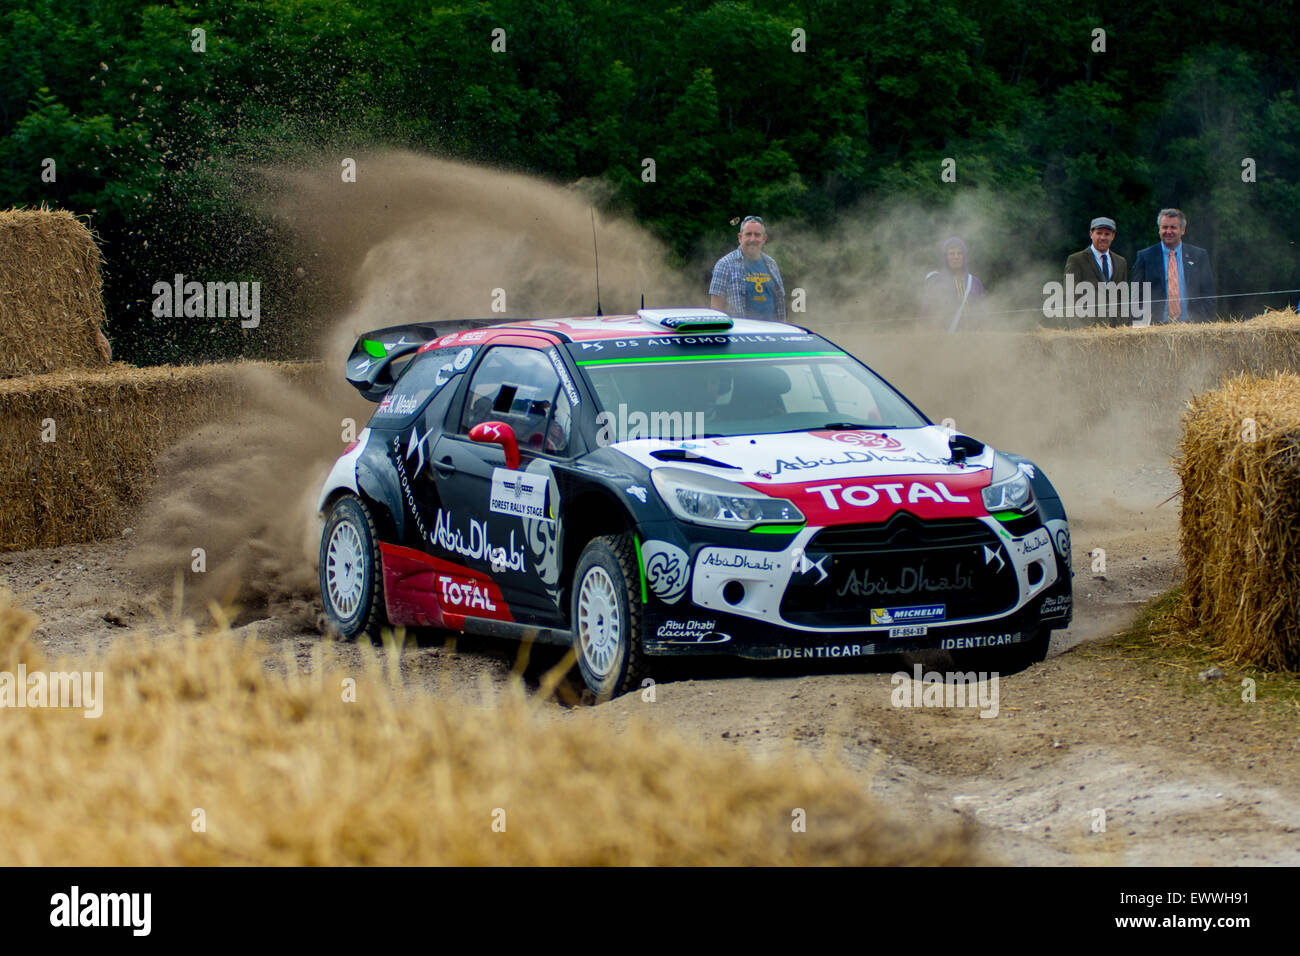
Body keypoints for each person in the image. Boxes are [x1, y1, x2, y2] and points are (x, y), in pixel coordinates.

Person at [1132, 208, 1216, 322]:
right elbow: (1136, 297)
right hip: (1156, 328)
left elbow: (1208, 293)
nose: (1168, 231)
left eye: (1173, 227)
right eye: (1164, 227)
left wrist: (1206, 320)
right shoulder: (1145, 257)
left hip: (1193, 327)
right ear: (1159, 229)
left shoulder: (1198, 256)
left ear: (1182, 230)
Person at [709, 216, 786, 320]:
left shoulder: (771, 264)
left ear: (764, 239)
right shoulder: (724, 265)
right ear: (740, 237)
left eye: (757, 235)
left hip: (772, 333)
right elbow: (716, 311)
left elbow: (780, 305)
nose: (752, 239)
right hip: (740, 333)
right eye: (748, 234)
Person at [1064, 217, 1129, 326]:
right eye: (1099, 233)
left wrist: (1123, 325)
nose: (1103, 237)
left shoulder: (1120, 262)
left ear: (1113, 236)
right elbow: (1068, 298)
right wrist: (1077, 330)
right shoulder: (1076, 260)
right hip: (1087, 330)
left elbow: (1123, 298)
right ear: (1091, 234)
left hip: (1115, 331)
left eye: (1107, 234)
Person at [922, 237, 985, 332]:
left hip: (973, 339)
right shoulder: (936, 284)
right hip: (945, 340)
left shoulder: (975, 282)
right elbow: (927, 314)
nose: (956, 257)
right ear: (946, 257)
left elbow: (983, 311)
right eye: (951, 253)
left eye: (960, 253)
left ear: (964, 256)